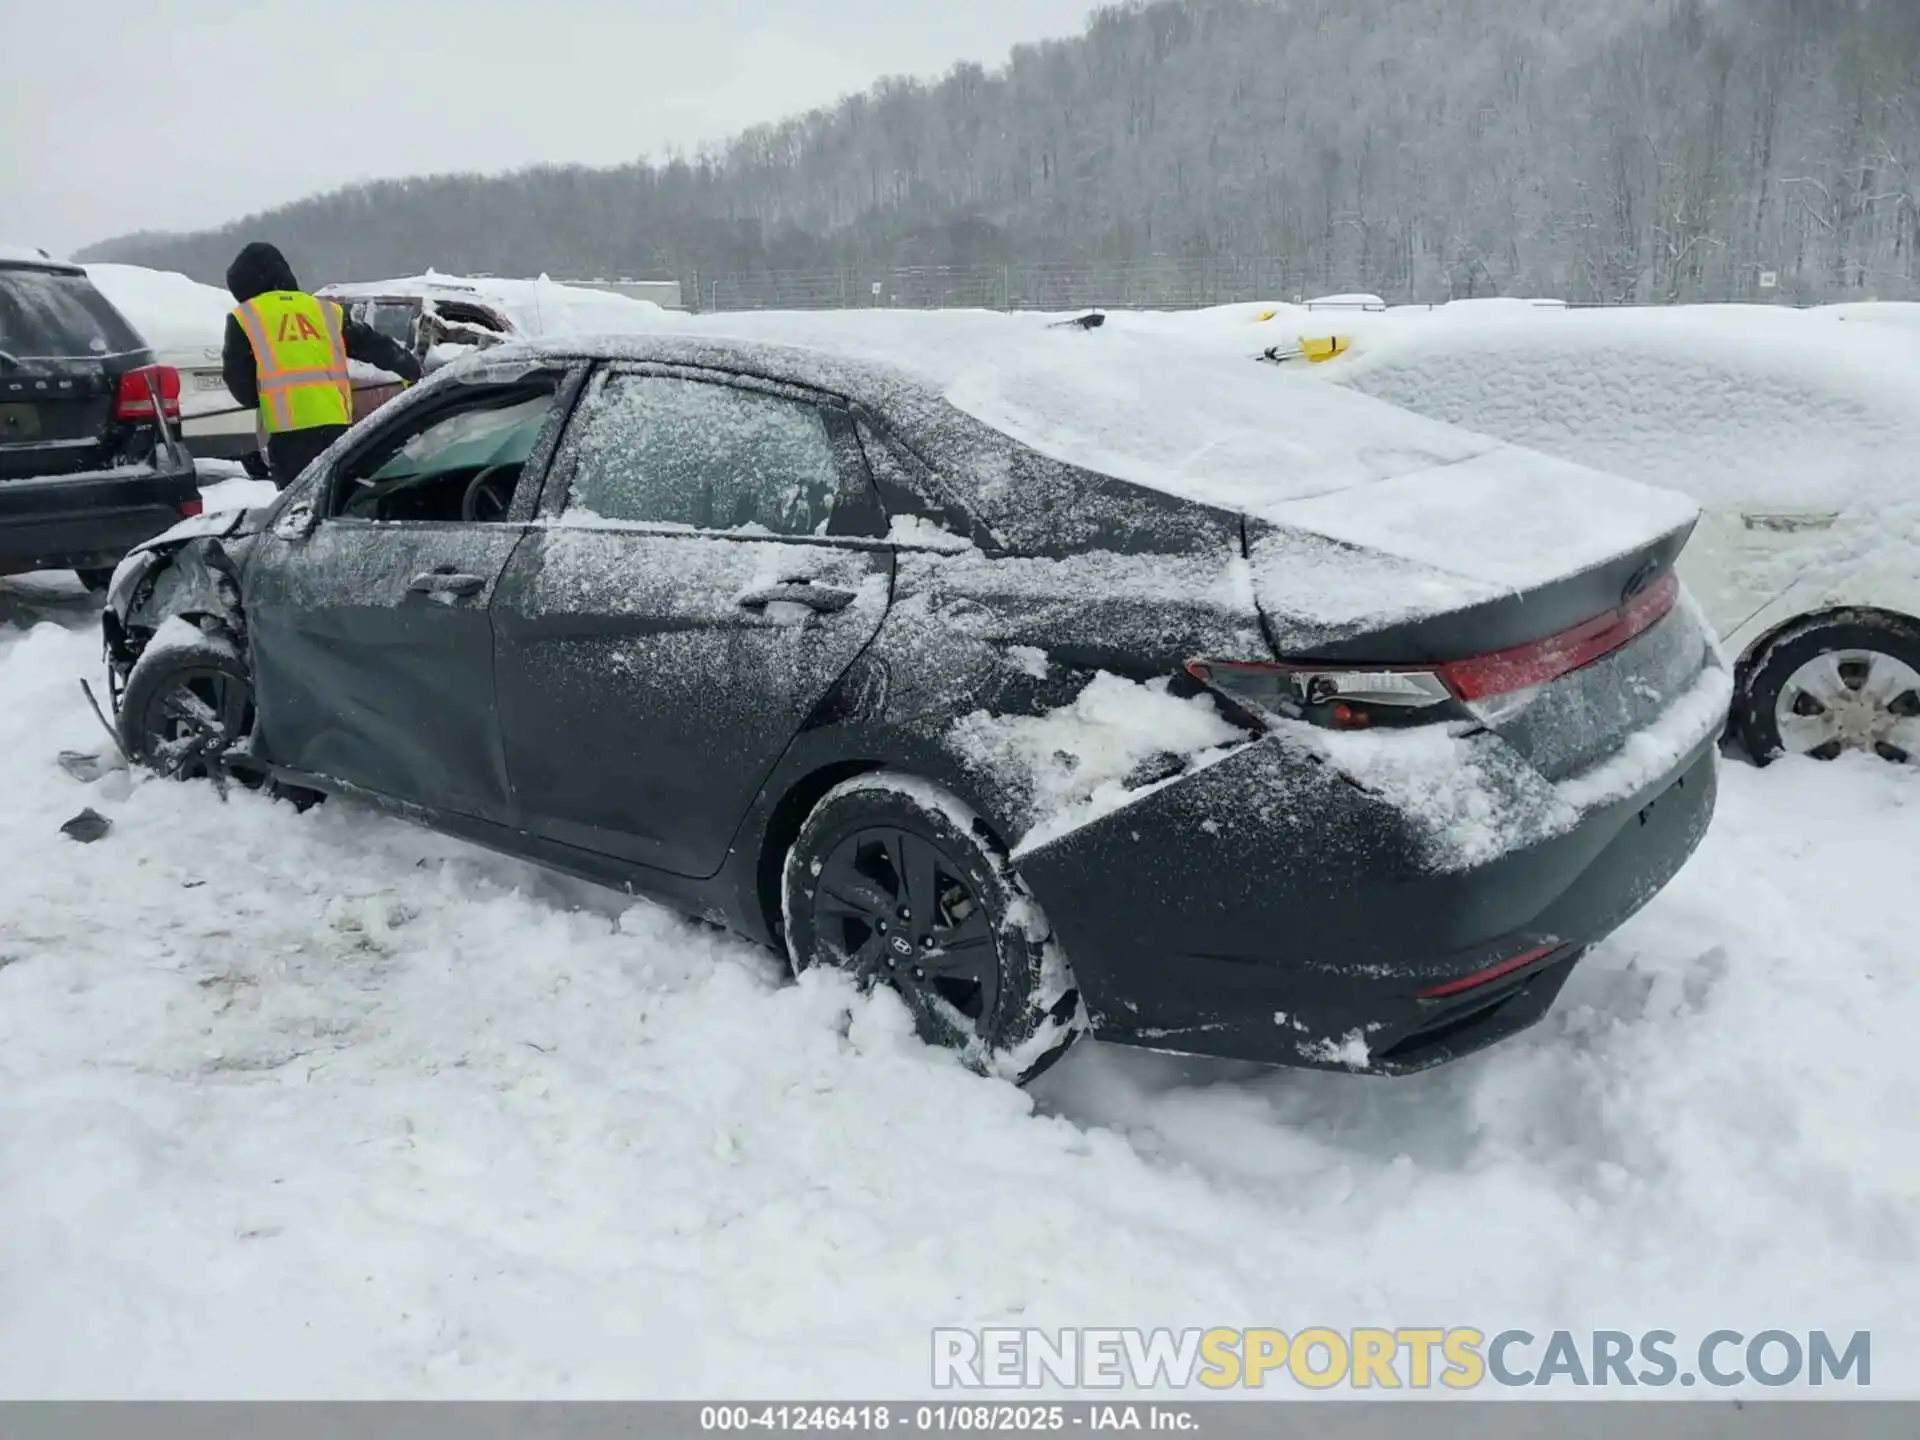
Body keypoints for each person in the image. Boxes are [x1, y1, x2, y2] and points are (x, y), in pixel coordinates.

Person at [221, 241, 423, 488]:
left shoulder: (245, 317)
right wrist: (411, 368)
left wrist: (262, 397)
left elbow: (240, 383)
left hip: (289, 437)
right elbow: (372, 345)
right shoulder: (324, 311)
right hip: (337, 429)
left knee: (298, 510)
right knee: (337, 499)